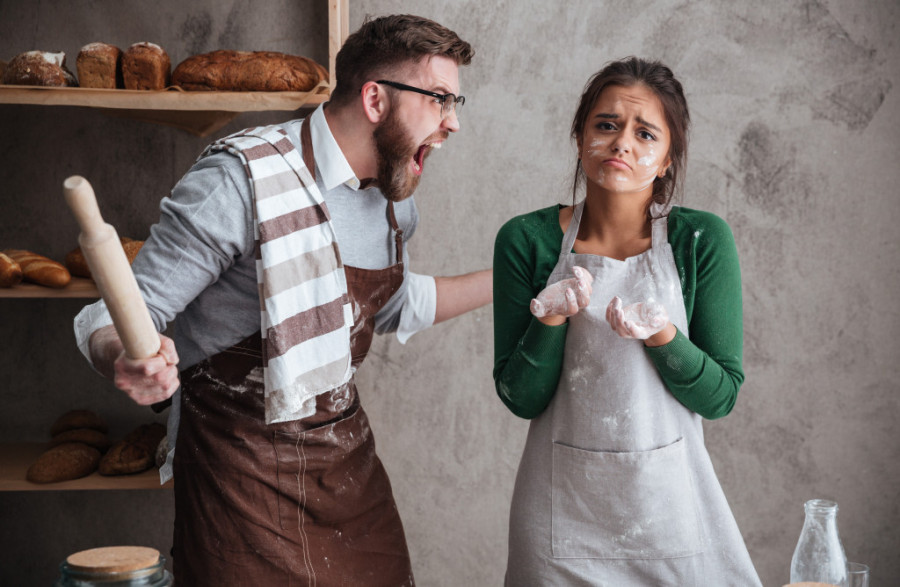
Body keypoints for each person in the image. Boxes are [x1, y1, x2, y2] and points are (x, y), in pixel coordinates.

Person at [74, 14, 491, 586]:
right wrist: (121, 352)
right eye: (441, 100)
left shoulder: (394, 200)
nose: (452, 123)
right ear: (375, 99)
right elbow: (110, 315)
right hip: (238, 483)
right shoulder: (242, 180)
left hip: (348, 474)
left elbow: (385, 307)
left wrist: (516, 279)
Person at [492, 57, 762, 585]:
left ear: (666, 160)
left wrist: (663, 336)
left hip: (668, 516)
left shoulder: (700, 240)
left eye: (645, 133)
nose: (622, 143)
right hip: (559, 521)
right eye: (607, 125)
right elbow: (519, 397)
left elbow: (721, 396)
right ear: (580, 136)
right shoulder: (526, 240)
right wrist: (550, 319)